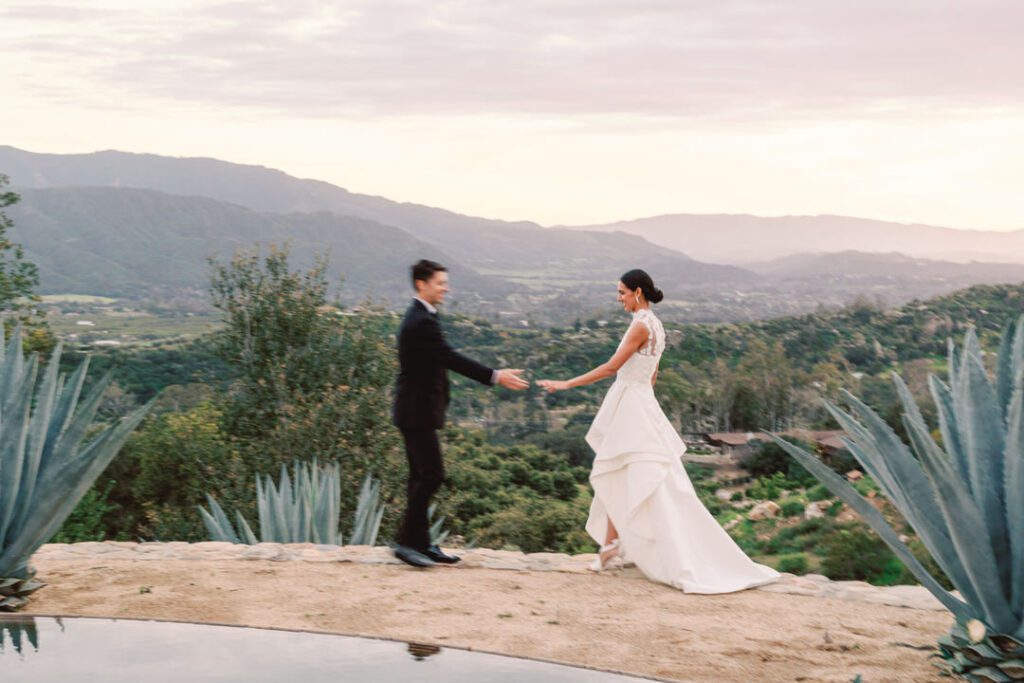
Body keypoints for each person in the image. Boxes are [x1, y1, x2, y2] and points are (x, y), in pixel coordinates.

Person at [537, 269, 779, 593]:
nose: (619, 298)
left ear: (638, 292)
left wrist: (565, 383)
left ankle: (630, 548)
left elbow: (612, 367)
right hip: (638, 401)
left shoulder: (639, 325)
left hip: (630, 404)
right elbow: (653, 375)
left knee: (628, 473)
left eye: (622, 292)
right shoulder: (656, 324)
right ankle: (611, 546)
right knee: (619, 471)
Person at [392, 259, 529, 568]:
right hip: (416, 412)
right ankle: (406, 543)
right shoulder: (420, 322)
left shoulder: (422, 317)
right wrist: (495, 375)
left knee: (421, 476)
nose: (446, 288)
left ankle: (419, 543)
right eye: (440, 283)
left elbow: (439, 361)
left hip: (417, 411)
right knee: (431, 475)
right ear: (421, 284)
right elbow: (449, 357)